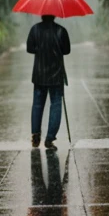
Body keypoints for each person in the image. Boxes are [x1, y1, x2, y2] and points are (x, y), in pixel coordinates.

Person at [26, 13, 71, 150]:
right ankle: (50, 138)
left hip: (39, 74)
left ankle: (35, 135)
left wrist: (40, 49)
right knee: (55, 105)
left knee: (37, 105)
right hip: (56, 75)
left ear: (41, 15)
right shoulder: (61, 31)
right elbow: (67, 51)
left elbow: (29, 48)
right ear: (54, 15)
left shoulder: (35, 29)